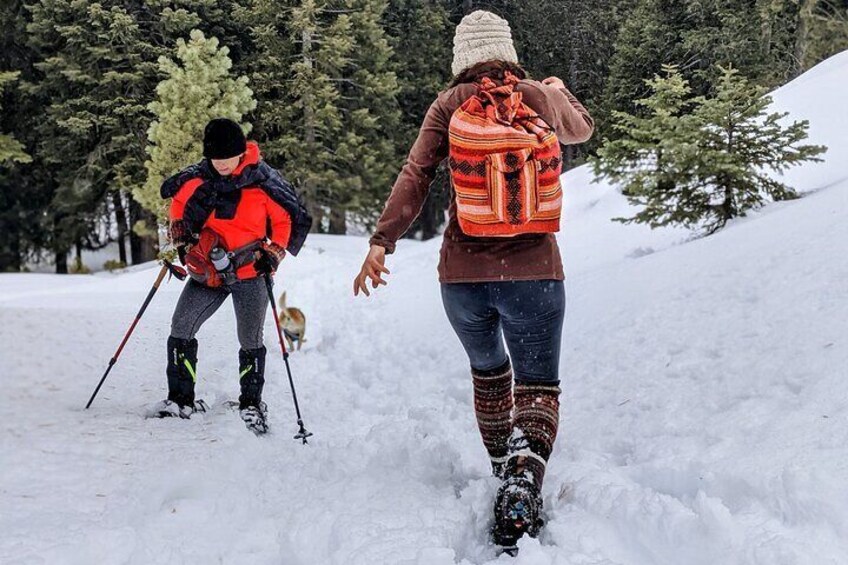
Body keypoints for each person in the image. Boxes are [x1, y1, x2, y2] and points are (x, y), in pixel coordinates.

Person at [353, 10, 594, 546]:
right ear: (507, 50)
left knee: (490, 375)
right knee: (537, 385)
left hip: (463, 278)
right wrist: (558, 90)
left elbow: (415, 174)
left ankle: (501, 471)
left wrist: (381, 241)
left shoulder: (447, 104)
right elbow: (582, 130)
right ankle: (523, 476)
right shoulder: (535, 95)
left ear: (460, 57)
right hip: (534, 274)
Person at [153, 118, 311, 434]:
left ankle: (251, 405)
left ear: (241, 153)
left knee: (249, 338)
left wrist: (273, 253)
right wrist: (183, 240)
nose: (222, 163)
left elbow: (283, 223)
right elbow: (178, 207)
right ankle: (180, 400)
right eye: (216, 158)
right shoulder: (196, 180)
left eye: (228, 156)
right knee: (181, 325)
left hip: (251, 271)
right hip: (208, 271)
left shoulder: (263, 183)